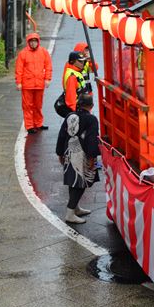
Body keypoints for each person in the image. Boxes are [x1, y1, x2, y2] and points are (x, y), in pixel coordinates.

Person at [56, 94, 100, 224]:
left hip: (68, 152)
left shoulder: (70, 116)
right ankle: (70, 212)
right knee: (81, 183)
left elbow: (61, 135)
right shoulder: (91, 119)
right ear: (91, 106)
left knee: (73, 181)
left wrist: (60, 153)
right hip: (83, 155)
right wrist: (92, 157)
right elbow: (92, 139)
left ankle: (75, 207)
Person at [15, 32, 52, 134]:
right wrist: (19, 82)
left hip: (39, 84)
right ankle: (30, 125)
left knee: (38, 105)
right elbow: (19, 69)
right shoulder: (23, 53)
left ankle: (38, 123)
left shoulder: (43, 52)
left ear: (38, 42)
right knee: (27, 106)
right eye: (31, 41)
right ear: (28, 42)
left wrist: (47, 79)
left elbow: (48, 66)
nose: (33, 43)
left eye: (35, 41)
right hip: (27, 85)